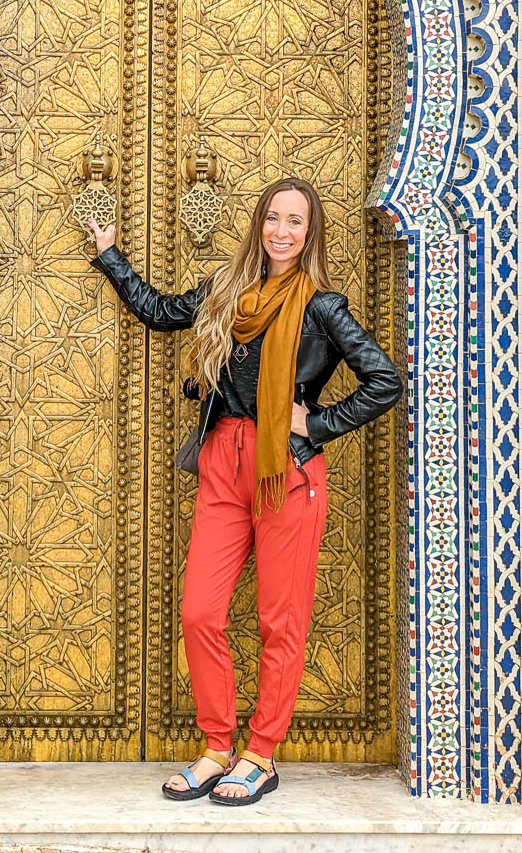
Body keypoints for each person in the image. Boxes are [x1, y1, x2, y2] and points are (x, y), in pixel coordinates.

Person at [87, 176, 403, 806]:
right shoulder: (227, 293)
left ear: (309, 233)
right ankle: (216, 745)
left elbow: (384, 381)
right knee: (200, 610)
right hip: (223, 460)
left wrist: (314, 423)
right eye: (274, 219)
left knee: (278, 620)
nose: (282, 231)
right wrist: (111, 253)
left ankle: (260, 753)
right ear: (259, 224)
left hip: (286, 468)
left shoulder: (323, 307)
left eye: (296, 222)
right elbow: (160, 311)